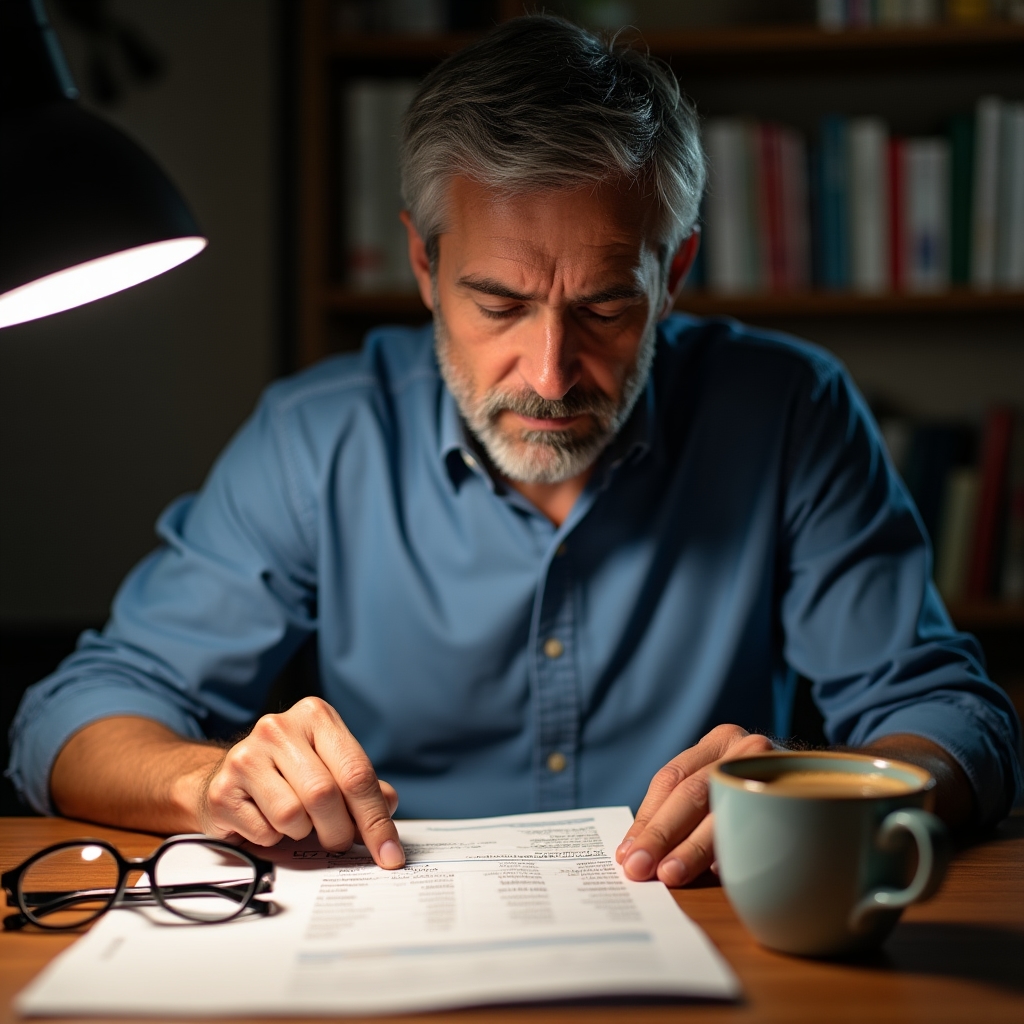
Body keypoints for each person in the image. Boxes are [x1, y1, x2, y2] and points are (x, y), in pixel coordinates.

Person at [8, 16, 1021, 889]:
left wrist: (808, 791)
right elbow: (76, 714)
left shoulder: (790, 408)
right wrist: (204, 778)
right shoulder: (318, 436)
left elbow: (945, 714)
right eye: (498, 303)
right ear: (421, 262)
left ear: (674, 272)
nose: (549, 372)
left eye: (606, 305)